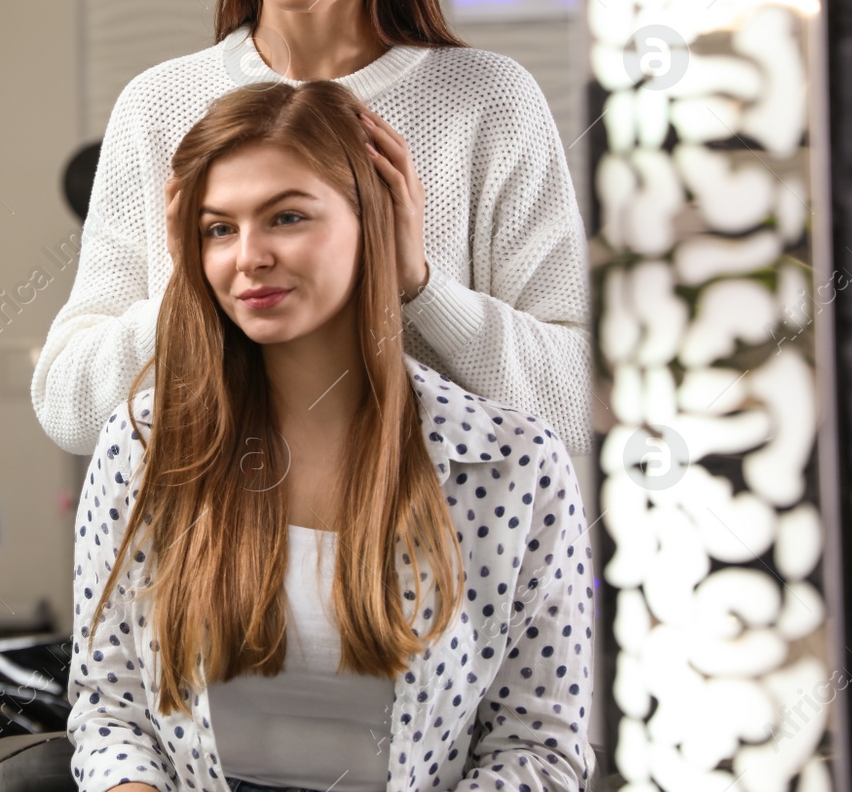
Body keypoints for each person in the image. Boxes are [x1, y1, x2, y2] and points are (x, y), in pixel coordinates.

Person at [32, 0, 593, 458]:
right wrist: (190, 290)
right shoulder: (158, 106)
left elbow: (575, 403)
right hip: (219, 563)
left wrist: (419, 287)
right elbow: (69, 411)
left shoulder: (487, 102)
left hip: (440, 557)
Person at [67, 80, 595, 792]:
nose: (247, 254)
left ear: (372, 221)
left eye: (285, 217)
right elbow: (110, 709)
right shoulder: (146, 445)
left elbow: (538, 745)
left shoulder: (512, 466)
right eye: (218, 228)